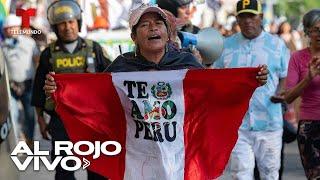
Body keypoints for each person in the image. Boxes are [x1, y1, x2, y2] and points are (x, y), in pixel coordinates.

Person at [43, 3, 269, 177]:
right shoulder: (121, 67)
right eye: (144, 24)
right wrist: (60, 90)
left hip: (179, 159)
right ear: (134, 37)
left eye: (158, 23)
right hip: (136, 161)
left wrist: (249, 81)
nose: (152, 27)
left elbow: (214, 94)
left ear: (168, 33)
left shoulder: (187, 65)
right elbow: (95, 99)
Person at [31, 1, 111, 180]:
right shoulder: (48, 54)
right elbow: (38, 90)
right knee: (63, 171)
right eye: (62, 23)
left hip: (93, 122)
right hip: (61, 122)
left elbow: (112, 80)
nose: (67, 27)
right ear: (55, 27)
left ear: (78, 22)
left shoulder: (94, 49)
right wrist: (41, 120)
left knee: (98, 170)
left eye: (71, 22)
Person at [212, 0, 290, 179]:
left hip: (269, 122)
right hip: (237, 125)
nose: (248, 21)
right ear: (237, 20)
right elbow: (216, 78)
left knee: (270, 174)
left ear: (260, 17)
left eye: (252, 16)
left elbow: (285, 75)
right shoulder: (225, 45)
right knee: (240, 175)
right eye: (243, 17)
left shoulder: (277, 45)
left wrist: (281, 92)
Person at [284, 9, 320, 180]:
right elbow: (288, 97)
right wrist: (308, 78)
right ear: (307, 31)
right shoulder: (297, 58)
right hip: (309, 127)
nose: (319, 34)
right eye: (315, 30)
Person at [1, 14, 40, 147]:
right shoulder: (2, 46)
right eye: (8, 28)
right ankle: (17, 142)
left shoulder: (29, 42)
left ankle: (29, 140)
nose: (11, 30)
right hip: (11, 86)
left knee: (30, 115)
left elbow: (37, 61)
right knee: (13, 114)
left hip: (28, 84)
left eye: (14, 27)